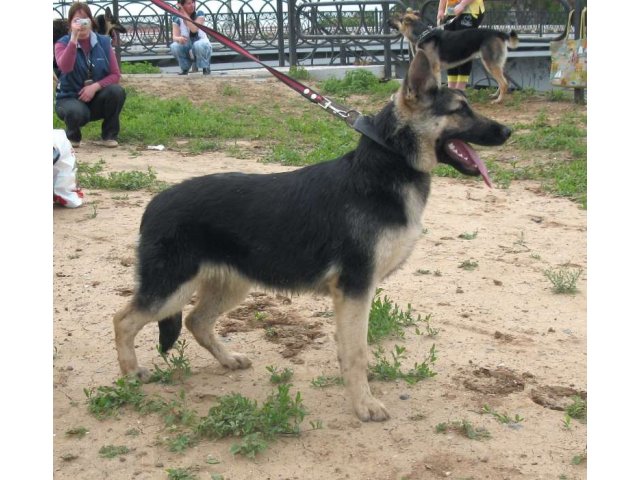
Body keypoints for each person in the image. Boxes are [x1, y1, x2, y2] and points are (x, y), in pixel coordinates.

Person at [54, 2, 126, 148]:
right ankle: (73, 136)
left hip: (94, 98)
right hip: (69, 98)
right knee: (76, 112)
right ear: (70, 24)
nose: (82, 24)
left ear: (92, 21)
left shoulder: (103, 42)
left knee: (116, 91)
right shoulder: (62, 43)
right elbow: (65, 67)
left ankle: (109, 135)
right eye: (77, 20)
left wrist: (95, 87)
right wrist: (73, 39)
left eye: (85, 19)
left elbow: (115, 75)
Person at [437, 0, 486, 92]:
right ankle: (451, 88)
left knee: (464, 49)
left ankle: (460, 88)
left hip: (471, 10)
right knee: (450, 49)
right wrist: (441, 10)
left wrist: (462, 4)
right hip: (451, 11)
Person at [170, 0, 212, 75]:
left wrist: (184, 14)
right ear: (182, 5)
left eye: (193, 2)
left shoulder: (199, 14)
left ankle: (205, 67)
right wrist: (179, 39)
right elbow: (174, 37)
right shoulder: (176, 18)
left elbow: (194, 29)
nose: (192, 5)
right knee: (174, 46)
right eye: (188, 3)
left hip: (201, 43)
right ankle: (185, 68)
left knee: (198, 45)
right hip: (187, 44)